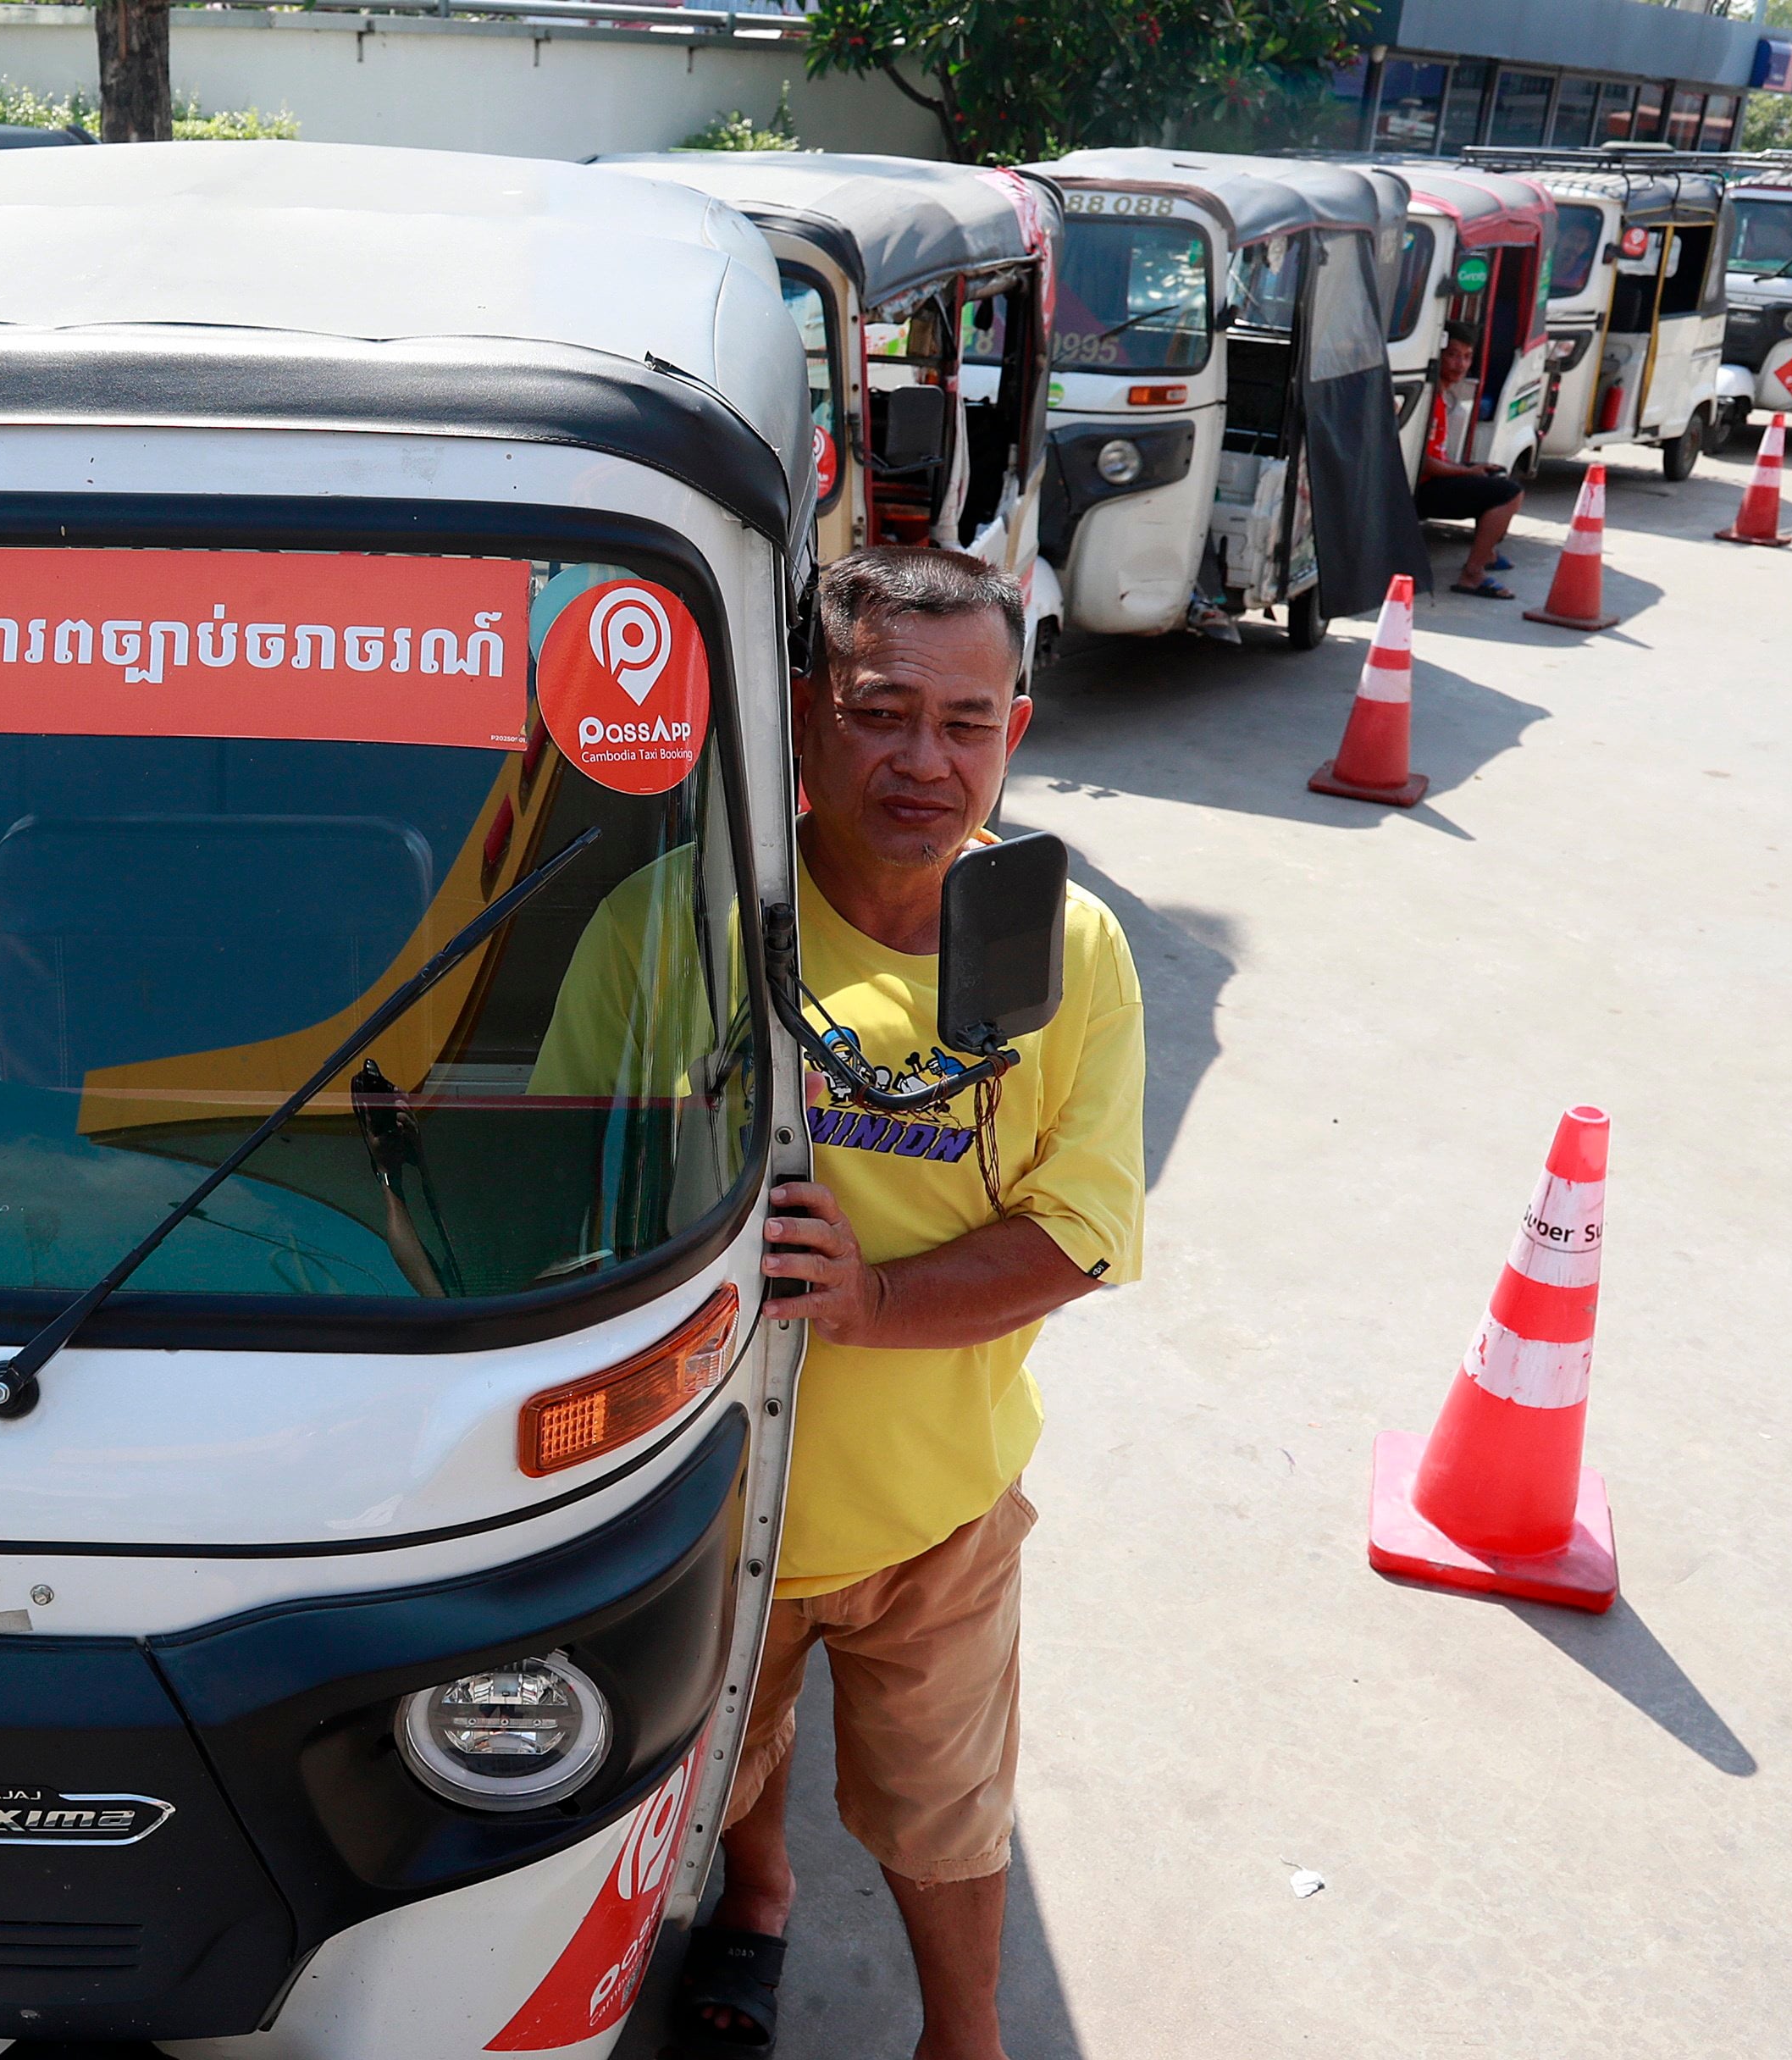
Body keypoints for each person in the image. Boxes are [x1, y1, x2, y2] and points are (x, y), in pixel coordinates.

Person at [613, 547, 1143, 2060]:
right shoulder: (683, 928)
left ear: (1014, 734)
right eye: (880, 711)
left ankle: (961, 2034)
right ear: (798, 714)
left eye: (966, 722)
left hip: (937, 1518)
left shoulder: (1069, 951)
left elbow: (1083, 1231)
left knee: (946, 1809)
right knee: (736, 1754)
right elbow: (573, 1177)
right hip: (720, 1508)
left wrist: (870, 1294)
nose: (925, 759)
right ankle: (759, 1902)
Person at [1413, 331, 1524, 599]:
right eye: (1452, 355)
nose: (1460, 364)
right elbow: (1424, 464)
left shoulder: (1441, 397)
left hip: (1434, 480)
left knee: (1497, 475)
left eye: (1467, 357)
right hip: (1420, 491)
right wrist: (1466, 471)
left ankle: (1488, 553)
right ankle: (1473, 574)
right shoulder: (1427, 399)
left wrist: (1471, 469)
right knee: (1510, 494)